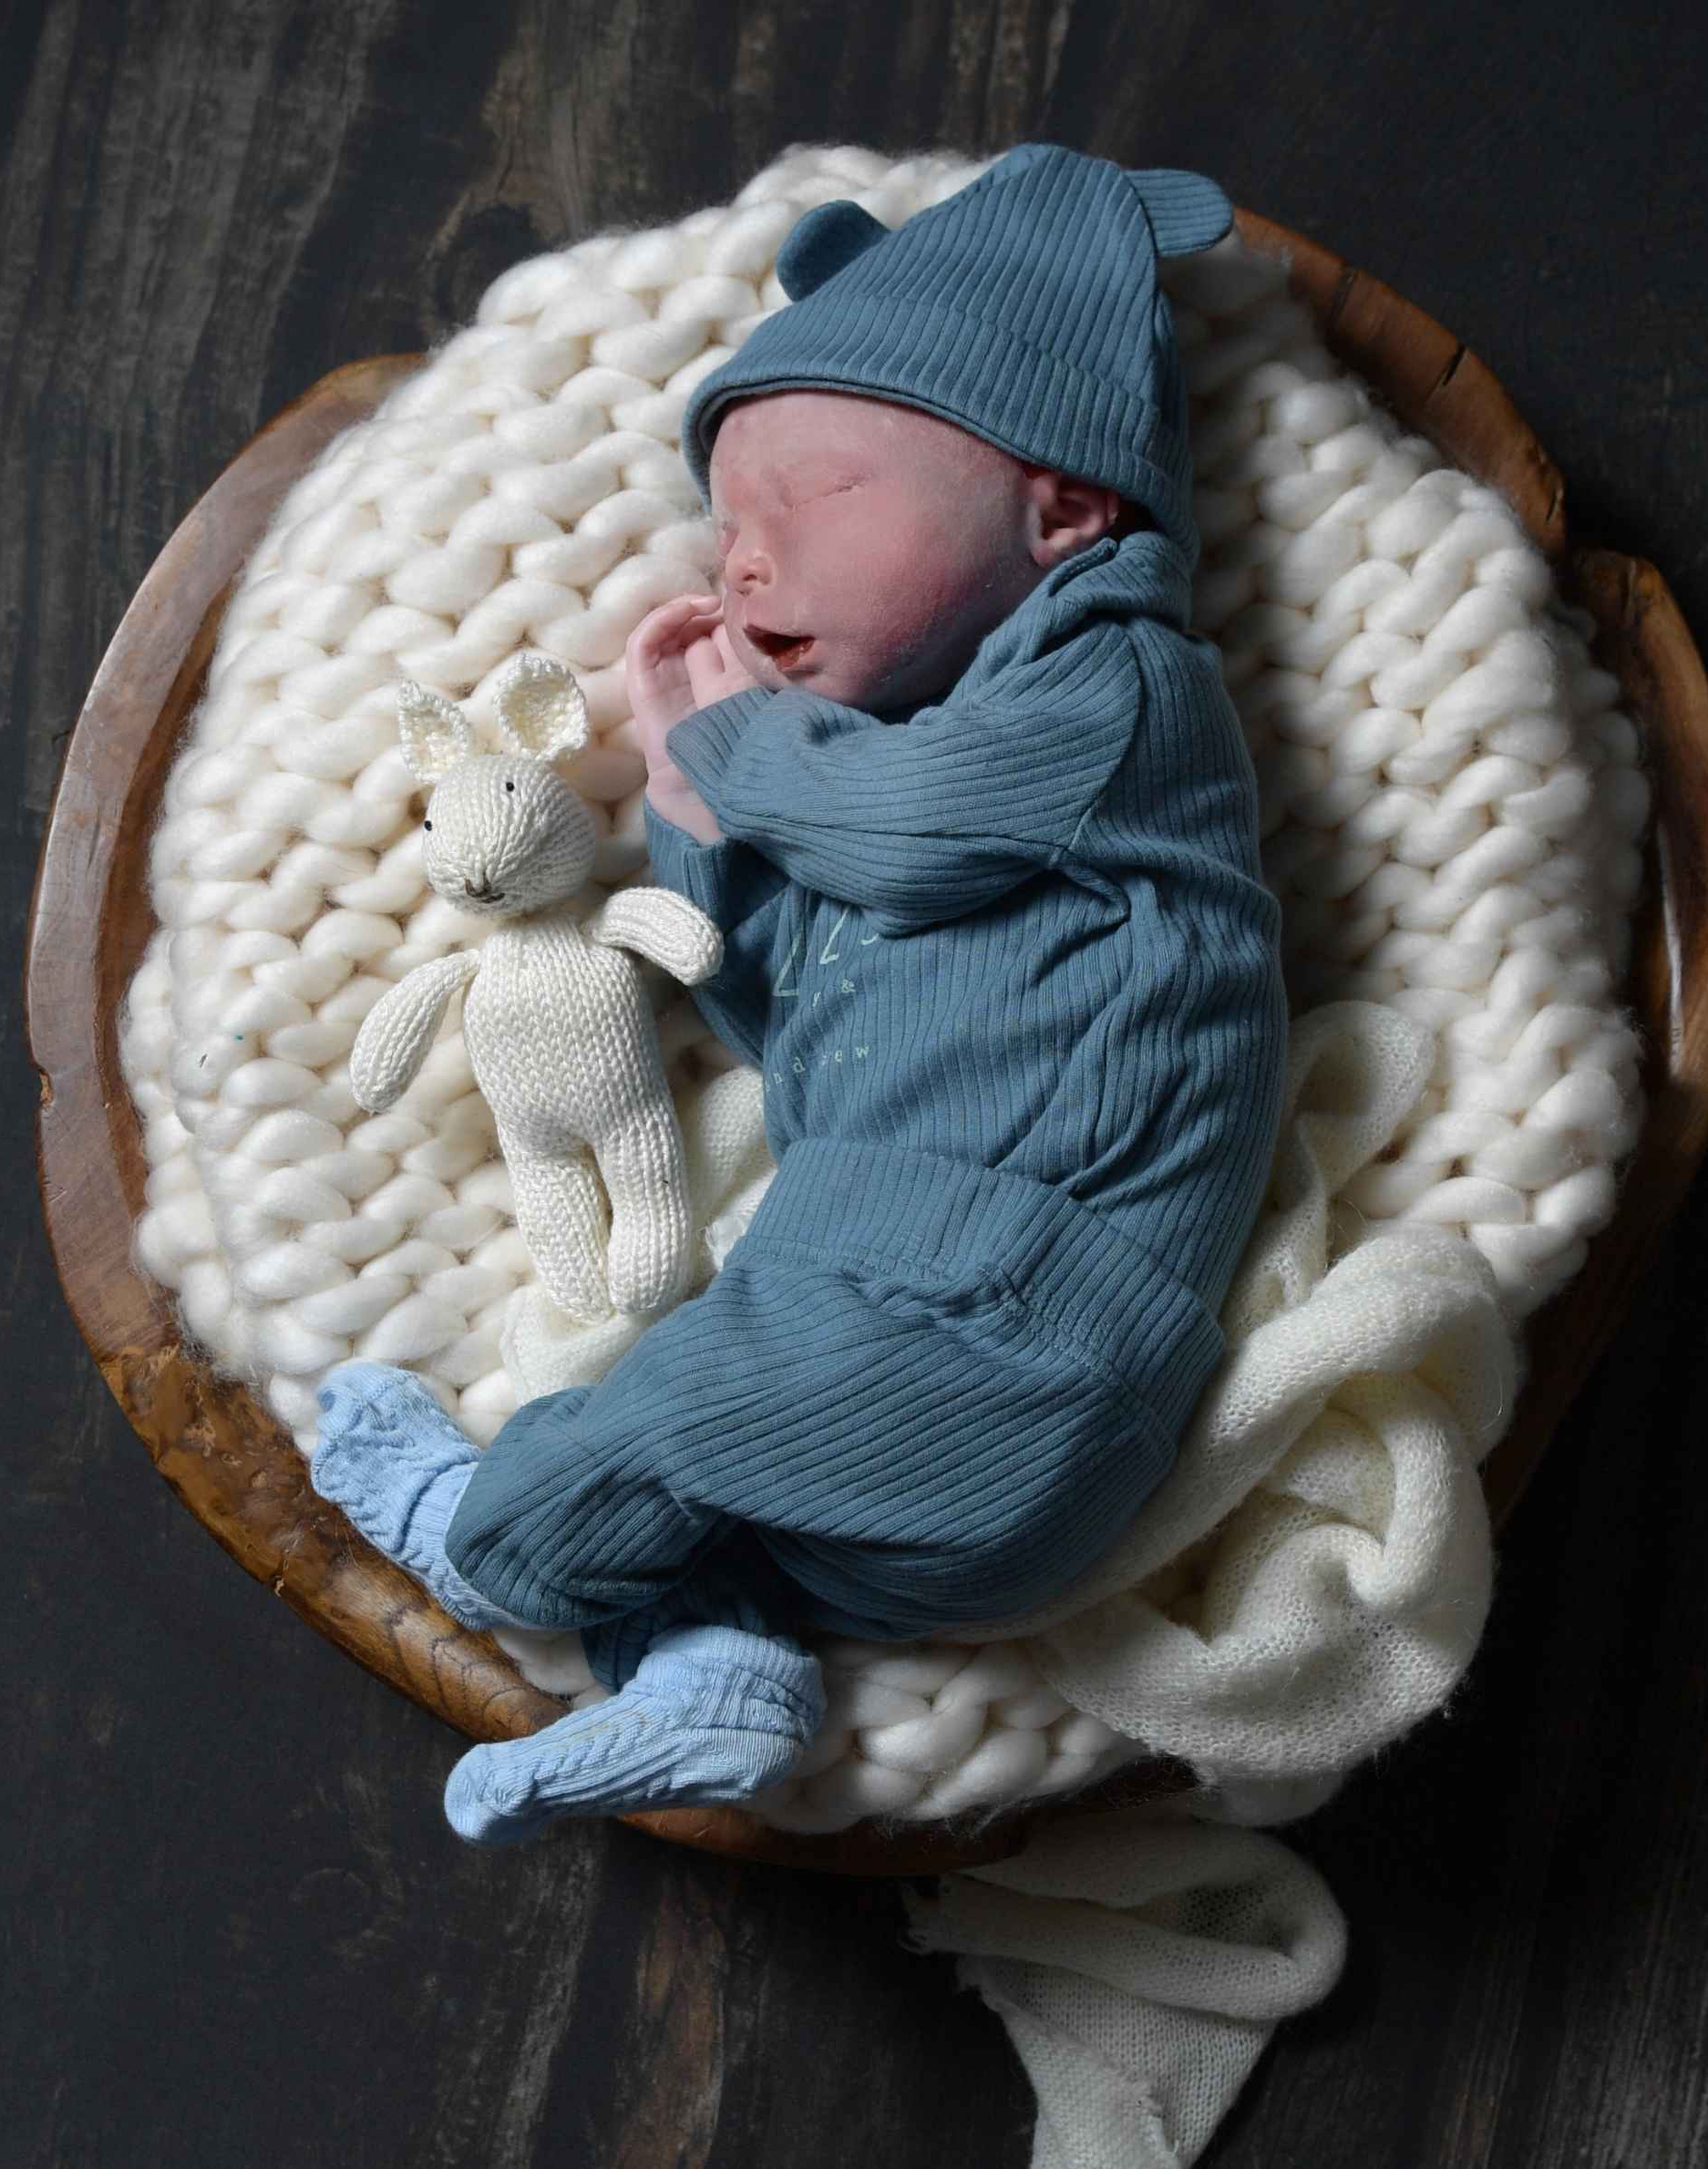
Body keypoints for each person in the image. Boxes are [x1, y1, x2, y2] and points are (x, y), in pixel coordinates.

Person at [307, 143, 1290, 1845]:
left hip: (1005, 1306)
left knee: (661, 1420)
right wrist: (702, 837)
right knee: (713, 1511)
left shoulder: (1125, 688)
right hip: (896, 1324)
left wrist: (743, 746)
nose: (743, 566)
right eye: (725, 528)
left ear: (1065, 509)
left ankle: (492, 1545)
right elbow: (802, 1015)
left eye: (810, 505)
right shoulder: (918, 769)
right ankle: (722, 1683)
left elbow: (908, 840)